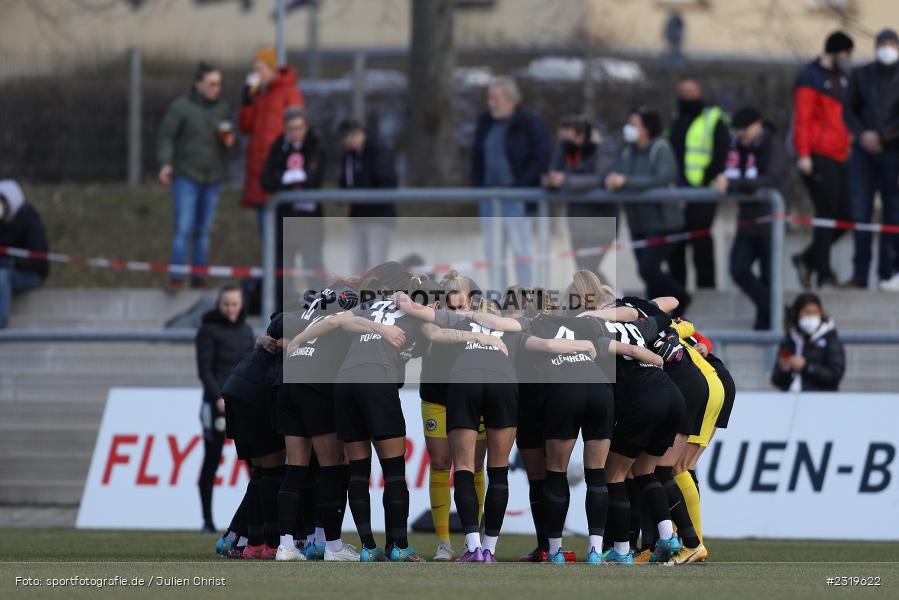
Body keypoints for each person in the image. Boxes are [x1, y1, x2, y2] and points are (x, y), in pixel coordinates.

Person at [157, 62, 234, 293]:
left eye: (219, 84)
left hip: (212, 177)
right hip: (187, 176)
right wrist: (165, 164)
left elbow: (229, 136)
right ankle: (177, 276)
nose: (216, 88)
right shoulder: (181, 107)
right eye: (211, 84)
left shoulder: (222, 108)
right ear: (198, 84)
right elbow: (166, 137)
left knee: (204, 230)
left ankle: (199, 276)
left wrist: (230, 141)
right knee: (184, 228)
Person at [470, 76, 550, 289]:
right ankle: (498, 302)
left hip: (516, 199)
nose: (491, 103)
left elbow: (540, 158)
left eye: (495, 98)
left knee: (521, 251)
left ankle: (524, 303)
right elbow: (477, 157)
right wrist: (477, 189)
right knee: (493, 253)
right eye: (490, 98)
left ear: (511, 99)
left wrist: (520, 187)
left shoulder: (530, 124)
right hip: (489, 199)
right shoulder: (486, 122)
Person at [605, 108, 686, 312]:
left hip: (662, 221)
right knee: (646, 274)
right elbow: (616, 171)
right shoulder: (627, 151)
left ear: (646, 128)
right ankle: (656, 314)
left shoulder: (660, 148)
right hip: (637, 221)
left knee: (648, 268)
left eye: (634, 124)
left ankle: (681, 297)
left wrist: (627, 181)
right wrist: (612, 179)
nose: (629, 129)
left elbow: (662, 177)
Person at [792, 32, 854, 290]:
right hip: (818, 155)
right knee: (827, 215)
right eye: (846, 52)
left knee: (846, 217)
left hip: (841, 154)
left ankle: (807, 259)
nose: (848, 58)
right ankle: (824, 273)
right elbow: (803, 118)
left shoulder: (841, 77)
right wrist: (804, 153)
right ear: (836, 50)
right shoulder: (810, 76)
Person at [718, 107, 789, 330]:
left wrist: (734, 185)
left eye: (744, 129)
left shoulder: (773, 145)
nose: (741, 134)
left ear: (758, 124)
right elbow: (732, 171)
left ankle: (768, 318)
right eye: (738, 130)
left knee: (769, 275)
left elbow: (770, 178)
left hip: (770, 221)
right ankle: (776, 310)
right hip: (748, 219)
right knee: (738, 268)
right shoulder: (738, 147)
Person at [195, 284, 255, 533]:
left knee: (256, 463)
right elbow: (204, 370)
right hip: (217, 405)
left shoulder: (247, 330)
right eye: (226, 304)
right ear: (219, 305)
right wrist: (218, 398)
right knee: (212, 461)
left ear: (241, 305)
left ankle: (256, 520)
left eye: (234, 304)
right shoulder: (208, 331)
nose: (230, 308)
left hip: (244, 404)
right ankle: (207, 521)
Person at [842, 29, 899, 291]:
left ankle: (889, 272)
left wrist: (883, 138)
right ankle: (860, 273)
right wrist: (863, 135)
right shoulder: (861, 75)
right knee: (860, 213)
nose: (887, 48)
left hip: (893, 153)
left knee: (893, 213)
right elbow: (848, 111)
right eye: (883, 43)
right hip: (863, 155)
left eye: (891, 44)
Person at [667, 76, 730, 290]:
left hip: (703, 191)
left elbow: (721, 152)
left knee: (701, 240)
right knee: (675, 245)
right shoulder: (676, 120)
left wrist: (705, 181)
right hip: (677, 192)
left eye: (690, 91)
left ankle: (706, 292)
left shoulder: (713, 118)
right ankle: (678, 295)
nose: (685, 96)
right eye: (682, 92)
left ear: (699, 93)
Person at [260, 106, 326, 304]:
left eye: (299, 128)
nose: (295, 133)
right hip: (285, 219)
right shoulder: (279, 146)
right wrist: (288, 178)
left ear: (306, 127)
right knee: (283, 269)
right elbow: (266, 180)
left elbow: (314, 179)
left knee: (312, 266)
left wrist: (289, 180)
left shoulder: (315, 146)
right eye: (291, 129)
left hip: (309, 220)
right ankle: (280, 310)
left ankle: (322, 309)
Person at [239, 47, 305, 241]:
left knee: (281, 235)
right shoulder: (260, 96)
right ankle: (271, 270)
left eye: (259, 69)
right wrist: (247, 103)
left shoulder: (289, 92)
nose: (256, 74)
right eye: (254, 69)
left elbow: (298, 130)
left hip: (278, 172)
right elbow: (245, 128)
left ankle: (280, 270)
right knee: (265, 233)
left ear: (272, 68)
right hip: (260, 172)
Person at [543, 116, 618, 284]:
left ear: (581, 135)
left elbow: (599, 178)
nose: (563, 142)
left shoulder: (603, 148)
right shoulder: (565, 147)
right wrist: (550, 180)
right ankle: (605, 300)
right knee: (584, 269)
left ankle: (611, 299)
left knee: (590, 267)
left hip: (601, 218)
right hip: (578, 218)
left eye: (567, 137)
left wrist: (566, 180)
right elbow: (554, 170)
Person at [337, 118, 399, 274]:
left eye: (348, 139)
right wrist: (343, 199)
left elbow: (388, 183)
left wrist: (363, 198)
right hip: (358, 217)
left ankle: (378, 297)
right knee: (358, 264)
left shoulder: (378, 151)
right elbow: (345, 180)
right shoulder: (349, 155)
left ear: (358, 134)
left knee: (376, 264)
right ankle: (362, 296)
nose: (346, 144)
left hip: (378, 217)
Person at [771, 293, 846, 392]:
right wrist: (784, 370)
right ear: (798, 314)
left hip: (821, 399)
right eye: (806, 312)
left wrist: (806, 367)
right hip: (791, 399)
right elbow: (776, 379)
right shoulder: (790, 339)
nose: (811, 317)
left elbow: (835, 374)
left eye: (815, 313)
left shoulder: (830, 338)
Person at [0, 180, 47, 329]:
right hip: (6, 271)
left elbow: (39, 258)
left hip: (30, 274)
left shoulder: (30, 220)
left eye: (3, 201)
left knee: (2, 276)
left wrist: (14, 262)